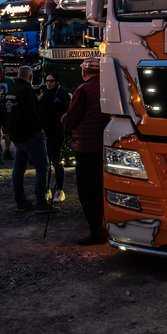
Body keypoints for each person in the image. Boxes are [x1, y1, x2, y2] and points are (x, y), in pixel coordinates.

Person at [62, 58, 109, 245]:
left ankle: (98, 232)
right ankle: (106, 225)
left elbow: (72, 118)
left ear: (84, 71)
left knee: (88, 192)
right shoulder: (108, 86)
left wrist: (64, 119)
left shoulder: (83, 89)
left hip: (87, 147)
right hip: (104, 145)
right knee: (101, 189)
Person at [6, 65, 60, 215]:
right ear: (30, 77)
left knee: (19, 168)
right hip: (30, 135)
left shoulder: (12, 91)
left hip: (16, 135)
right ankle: (41, 203)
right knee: (42, 167)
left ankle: (21, 202)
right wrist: (39, 129)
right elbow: (31, 113)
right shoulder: (26, 90)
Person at [38, 72, 71, 203]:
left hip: (56, 132)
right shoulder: (44, 94)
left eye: (51, 81)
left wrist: (64, 132)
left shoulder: (62, 94)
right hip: (45, 132)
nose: (49, 83)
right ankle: (47, 189)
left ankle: (59, 190)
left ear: (57, 82)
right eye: (47, 81)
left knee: (56, 162)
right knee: (46, 162)